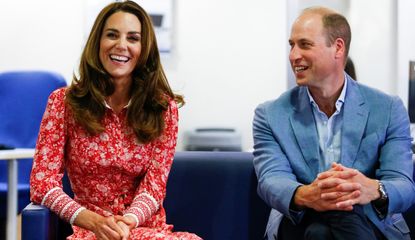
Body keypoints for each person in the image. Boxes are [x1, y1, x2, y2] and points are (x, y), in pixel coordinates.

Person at [30, 1, 201, 240]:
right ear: (97, 42)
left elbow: (154, 187)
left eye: (133, 38)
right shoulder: (63, 103)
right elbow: (42, 183)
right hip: (90, 231)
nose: (121, 45)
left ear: (144, 48)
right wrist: (92, 221)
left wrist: (126, 223)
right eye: (112, 35)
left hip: (145, 230)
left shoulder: (164, 109)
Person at [253, 6, 415, 240]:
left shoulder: (388, 109)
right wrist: (308, 193)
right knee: (323, 228)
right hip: (300, 219)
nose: (293, 55)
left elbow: (404, 186)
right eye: (292, 45)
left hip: (368, 220)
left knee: (323, 232)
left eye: (305, 44)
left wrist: (370, 188)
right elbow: (271, 180)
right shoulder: (270, 114)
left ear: (338, 48)